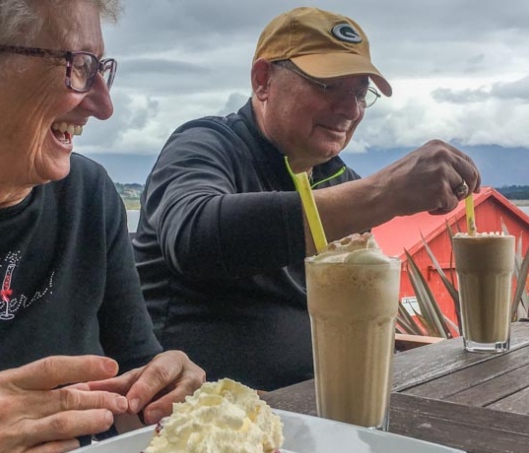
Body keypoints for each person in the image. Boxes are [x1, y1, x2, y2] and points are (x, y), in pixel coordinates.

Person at [134, 7, 481, 391]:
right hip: (207, 424)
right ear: (262, 80)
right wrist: (383, 193)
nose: (350, 109)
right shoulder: (204, 145)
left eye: (360, 92)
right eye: (328, 85)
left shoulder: (339, 180)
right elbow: (194, 237)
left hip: (326, 414)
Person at [0, 0, 205, 453]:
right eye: (78, 68)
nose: (103, 105)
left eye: (102, 69)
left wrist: (163, 385)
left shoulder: (89, 195)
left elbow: (133, 372)